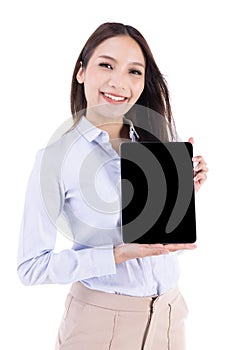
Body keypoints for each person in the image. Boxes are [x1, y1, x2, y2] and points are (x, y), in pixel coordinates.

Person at [17, 22, 208, 350]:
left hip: (169, 317)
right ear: (81, 72)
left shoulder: (155, 144)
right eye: (106, 65)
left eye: (134, 71)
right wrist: (116, 255)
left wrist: (184, 192)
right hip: (100, 326)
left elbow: (157, 236)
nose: (119, 82)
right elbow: (31, 267)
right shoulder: (55, 159)